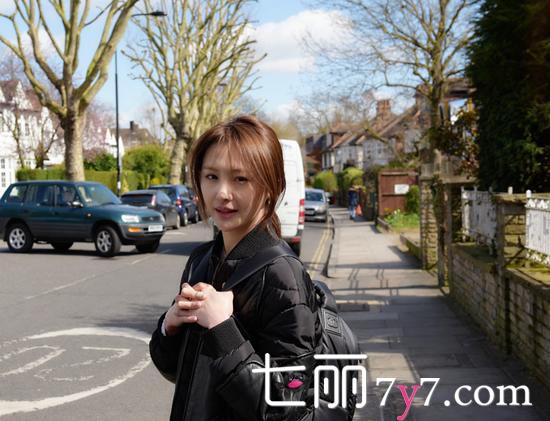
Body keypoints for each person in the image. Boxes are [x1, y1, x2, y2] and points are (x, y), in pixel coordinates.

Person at [149, 115, 322, 421]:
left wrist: (223, 329)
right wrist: (169, 327)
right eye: (211, 176)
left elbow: (287, 404)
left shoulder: (282, 274)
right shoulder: (202, 260)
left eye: (240, 179)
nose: (222, 193)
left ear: (270, 186)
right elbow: (183, 374)